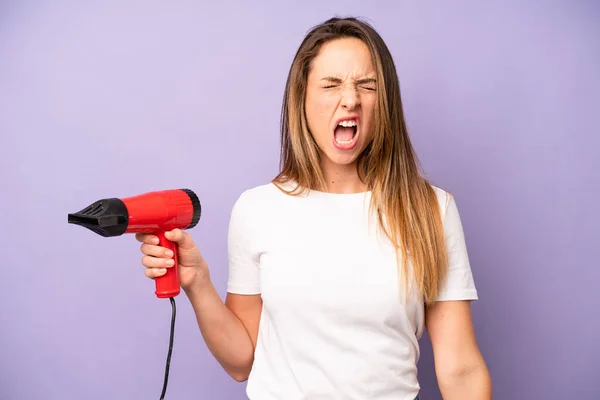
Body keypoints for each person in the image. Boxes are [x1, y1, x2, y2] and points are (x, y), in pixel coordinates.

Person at [136, 17, 492, 400]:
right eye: (331, 84)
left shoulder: (430, 210)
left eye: (366, 85)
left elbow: (461, 370)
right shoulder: (258, 209)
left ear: (383, 101)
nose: (351, 99)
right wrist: (198, 283)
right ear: (302, 99)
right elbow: (241, 362)